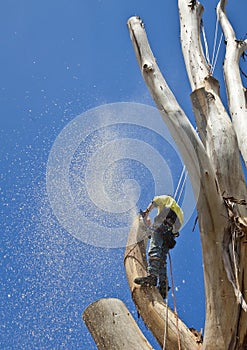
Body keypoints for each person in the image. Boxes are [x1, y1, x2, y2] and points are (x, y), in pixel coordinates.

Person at [134, 194, 184, 299]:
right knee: (162, 259)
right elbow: (174, 231)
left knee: (154, 248)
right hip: (170, 234)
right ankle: (163, 286)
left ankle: (152, 276)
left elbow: (154, 202)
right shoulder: (179, 212)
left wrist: (145, 213)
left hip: (163, 225)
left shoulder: (166, 200)